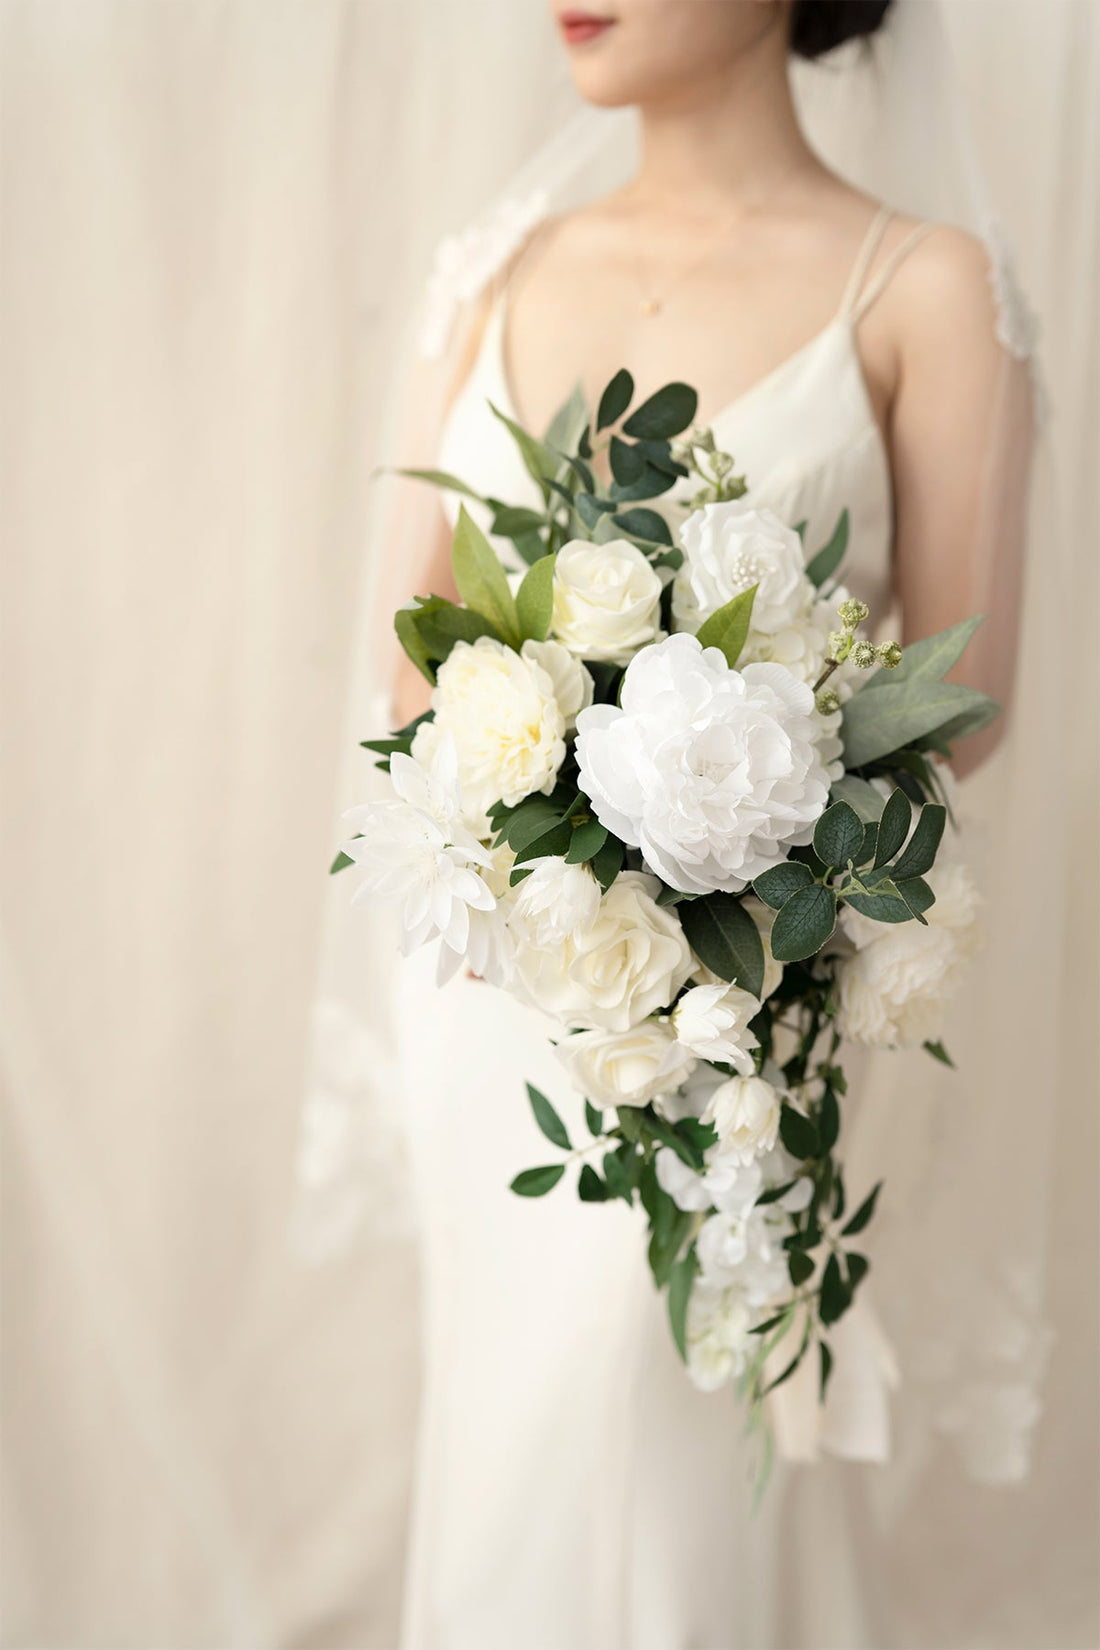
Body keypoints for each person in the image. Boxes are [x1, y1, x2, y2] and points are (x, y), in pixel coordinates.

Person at [377, 4, 1039, 1646]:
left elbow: (964, 699)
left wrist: (718, 813)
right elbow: (409, 672)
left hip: (739, 1018)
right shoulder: (493, 273)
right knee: (516, 1428)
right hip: (499, 1018)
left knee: (679, 1430)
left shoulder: (926, 288)